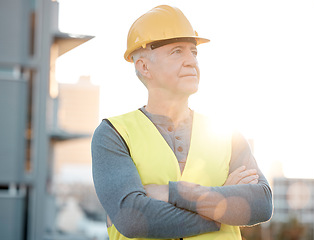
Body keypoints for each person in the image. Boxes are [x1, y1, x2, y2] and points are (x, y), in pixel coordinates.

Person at [91, 5, 273, 240]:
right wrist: (223, 209)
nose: (191, 61)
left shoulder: (226, 134)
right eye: (177, 51)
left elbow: (261, 204)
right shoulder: (114, 134)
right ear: (144, 66)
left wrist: (171, 193)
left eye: (194, 52)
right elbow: (133, 219)